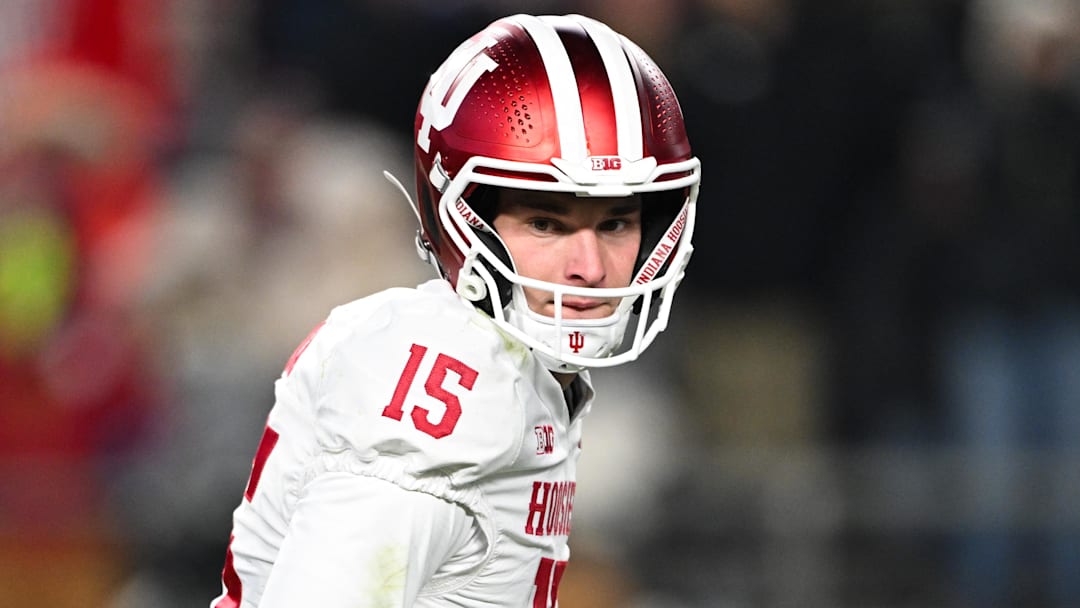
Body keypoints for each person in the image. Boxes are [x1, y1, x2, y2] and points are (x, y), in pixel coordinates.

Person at [211, 13, 700, 607]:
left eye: (616, 222)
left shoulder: (517, 367)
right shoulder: (454, 391)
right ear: (459, 218)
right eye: (546, 223)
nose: (590, 267)